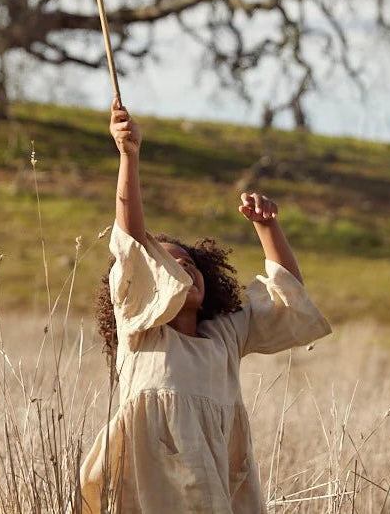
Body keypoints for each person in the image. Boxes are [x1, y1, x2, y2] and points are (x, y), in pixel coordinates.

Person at [80, 101, 331, 513]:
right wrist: (129, 156)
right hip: (147, 480)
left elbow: (286, 295)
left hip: (213, 476)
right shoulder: (140, 330)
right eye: (170, 265)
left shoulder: (225, 335)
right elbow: (129, 241)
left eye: (192, 265)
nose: (185, 271)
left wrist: (268, 228)